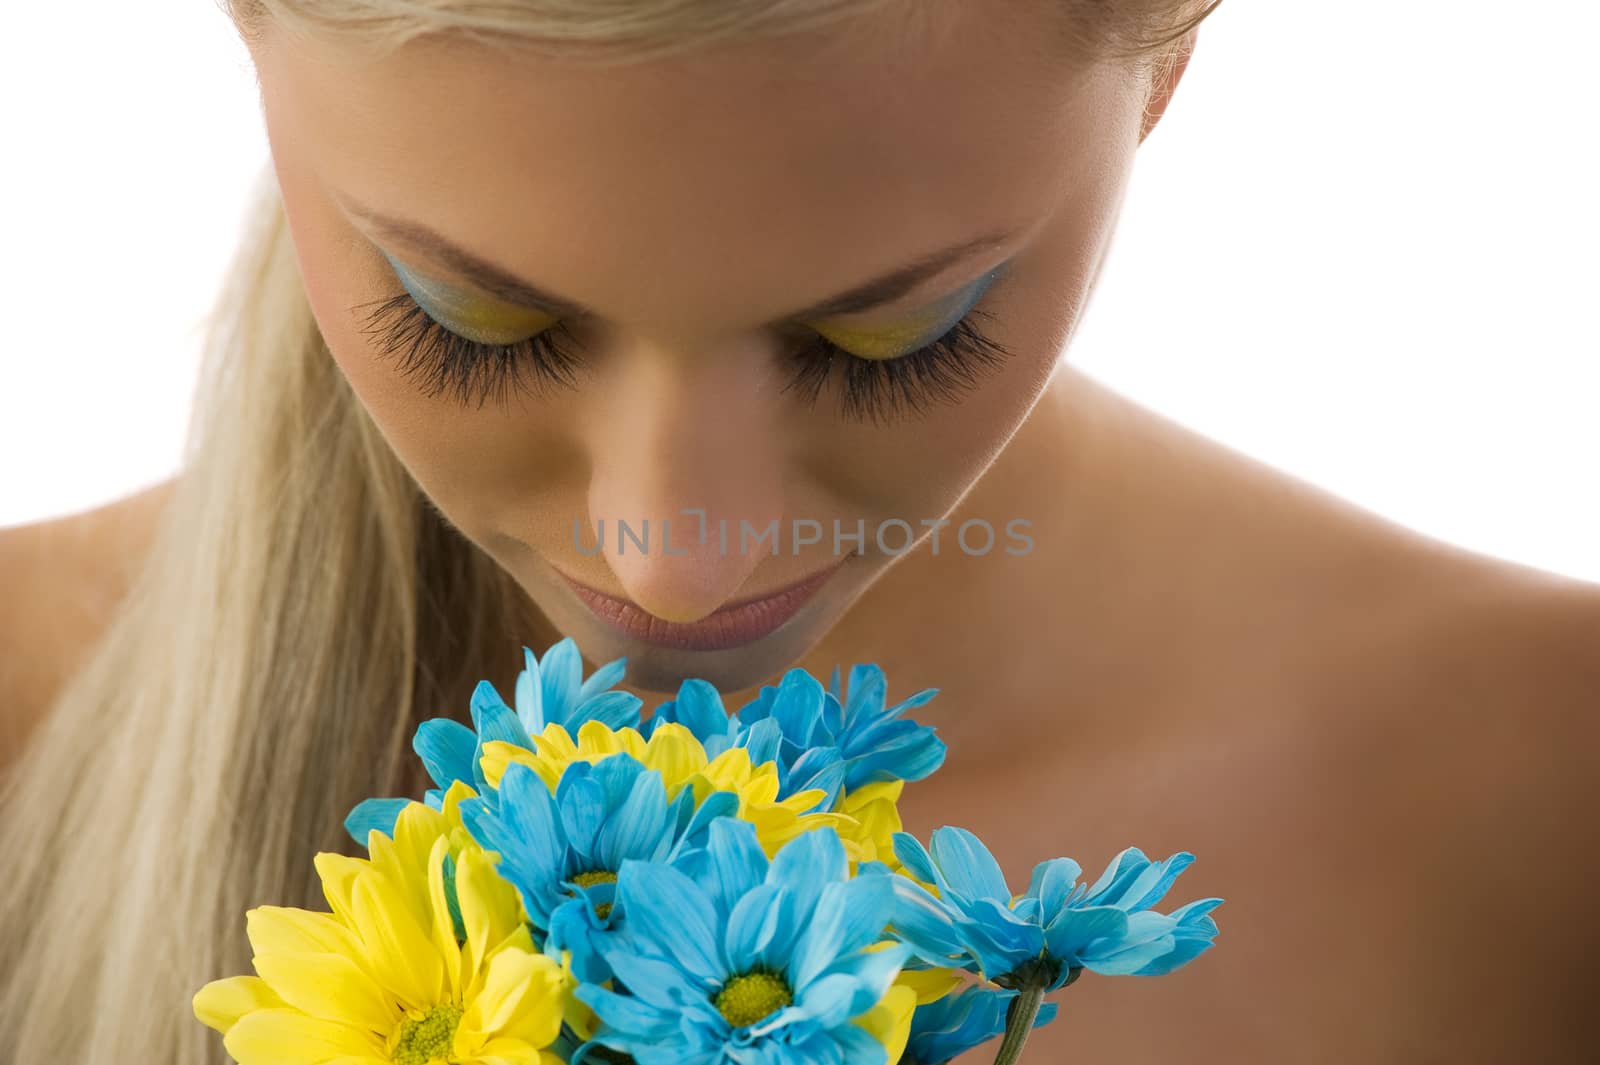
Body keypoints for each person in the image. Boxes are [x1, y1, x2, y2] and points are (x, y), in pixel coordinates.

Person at [2, 1, 1596, 1062]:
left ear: (1169, 57)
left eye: (893, 339)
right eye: (471, 320)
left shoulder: (1542, 827)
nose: (672, 562)